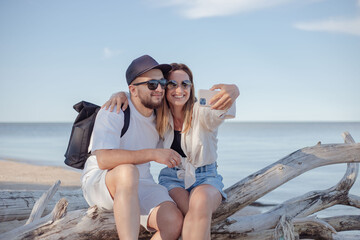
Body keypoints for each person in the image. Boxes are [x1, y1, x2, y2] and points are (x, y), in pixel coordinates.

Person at [104, 62, 239, 239]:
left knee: (200, 203)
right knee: (188, 215)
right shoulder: (158, 116)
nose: (179, 90)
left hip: (206, 176)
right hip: (172, 178)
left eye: (185, 84)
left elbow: (218, 109)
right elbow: (138, 99)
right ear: (164, 89)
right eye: (172, 85)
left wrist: (234, 91)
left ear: (191, 87)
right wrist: (121, 94)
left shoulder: (201, 111)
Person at [81, 55, 184, 240]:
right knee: (127, 172)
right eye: (152, 84)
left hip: (141, 182)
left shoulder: (161, 116)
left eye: (162, 82)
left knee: (173, 221)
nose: (159, 89)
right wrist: (153, 154)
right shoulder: (115, 109)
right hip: (101, 181)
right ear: (133, 90)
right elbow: (104, 160)